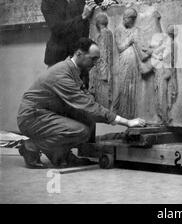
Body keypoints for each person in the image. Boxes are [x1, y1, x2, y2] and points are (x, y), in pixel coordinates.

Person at [17, 37, 146, 169]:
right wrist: (126, 121)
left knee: (88, 122)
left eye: (97, 59)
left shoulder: (73, 70)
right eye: (93, 58)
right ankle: (31, 146)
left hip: (45, 113)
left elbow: (86, 100)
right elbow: (87, 105)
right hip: (31, 117)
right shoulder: (62, 74)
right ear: (79, 54)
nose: (95, 63)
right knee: (81, 131)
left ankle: (60, 156)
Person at [41, 0, 97, 68]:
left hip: (80, 58)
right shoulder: (48, 2)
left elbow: (98, 0)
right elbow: (57, 28)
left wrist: (107, 1)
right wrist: (82, 17)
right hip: (57, 59)